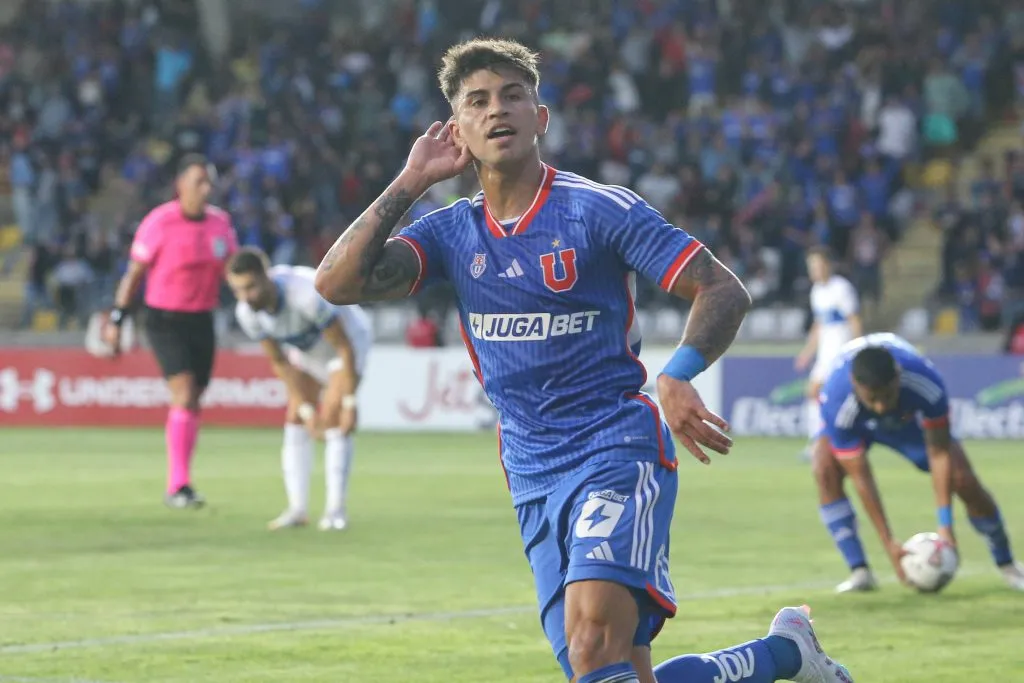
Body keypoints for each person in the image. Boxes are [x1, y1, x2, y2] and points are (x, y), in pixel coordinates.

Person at [313, 38, 853, 683]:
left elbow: (720, 288)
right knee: (608, 673)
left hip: (614, 445)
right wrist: (411, 180)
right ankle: (785, 653)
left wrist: (677, 373)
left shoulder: (596, 210)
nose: (497, 111)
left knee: (594, 646)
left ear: (541, 117)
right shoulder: (451, 231)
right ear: (457, 129)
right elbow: (335, 284)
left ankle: (787, 653)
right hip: (531, 468)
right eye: (477, 102)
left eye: (513, 95)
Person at [813, 332, 1024, 593]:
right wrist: (888, 541)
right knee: (824, 468)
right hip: (859, 425)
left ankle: (1007, 563)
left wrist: (945, 525)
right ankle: (860, 571)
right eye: (872, 399)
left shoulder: (926, 381)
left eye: (886, 396)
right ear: (855, 385)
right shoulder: (836, 398)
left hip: (906, 421)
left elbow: (940, 453)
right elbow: (861, 476)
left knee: (963, 479)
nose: (880, 407)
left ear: (898, 377)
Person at [104, 154, 238, 509]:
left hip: (201, 319)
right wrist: (118, 318)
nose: (206, 189)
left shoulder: (220, 224)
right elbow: (133, 275)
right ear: (180, 186)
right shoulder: (159, 222)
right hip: (164, 318)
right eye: (199, 182)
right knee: (184, 391)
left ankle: (182, 481)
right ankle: (177, 485)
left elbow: (232, 271)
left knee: (193, 398)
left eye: (209, 182)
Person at [226, 247, 372, 531]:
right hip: (307, 352)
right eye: (238, 291)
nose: (245, 297)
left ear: (266, 278)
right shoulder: (247, 312)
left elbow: (343, 347)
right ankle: (297, 509)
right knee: (295, 419)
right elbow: (280, 362)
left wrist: (351, 402)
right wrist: (306, 409)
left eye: (250, 288)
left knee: (333, 418)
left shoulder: (305, 295)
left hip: (348, 345)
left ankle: (335, 511)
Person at [795, 247, 862, 461]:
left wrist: (856, 350)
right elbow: (819, 325)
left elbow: (854, 320)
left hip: (841, 351)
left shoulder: (841, 288)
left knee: (818, 392)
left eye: (818, 265)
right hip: (825, 353)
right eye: (811, 267)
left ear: (828, 265)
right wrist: (807, 352)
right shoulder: (817, 291)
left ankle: (822, 443)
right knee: (814, 394)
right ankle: (819, 442)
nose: (815, 270)